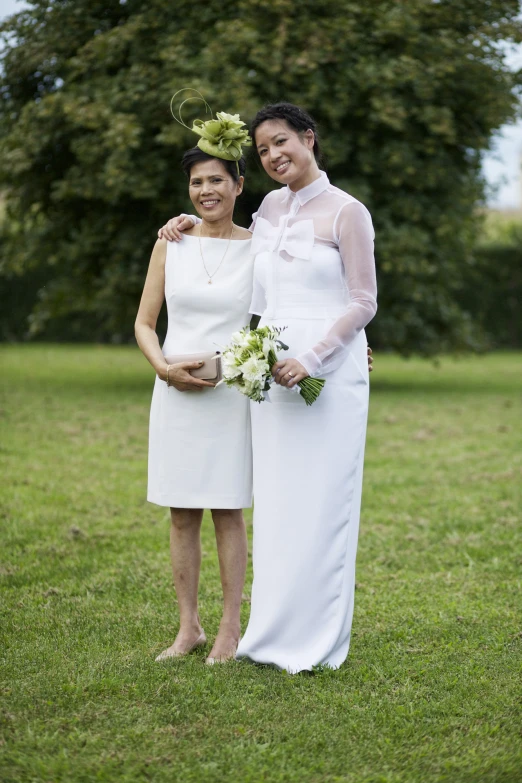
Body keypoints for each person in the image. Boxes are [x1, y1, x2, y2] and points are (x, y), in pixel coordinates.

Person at [159, 102, 377, 673]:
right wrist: (179, 223)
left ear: (308, 138)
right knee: (279, 508)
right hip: (271, 375)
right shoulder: (268, 211)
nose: (275, 155)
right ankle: (270, 635)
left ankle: (319, 642)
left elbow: (362, 301)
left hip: (322, 372)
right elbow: (240, 273)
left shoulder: (348, 211)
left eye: (282, 142)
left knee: (323, 505)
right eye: (263, 150)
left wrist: (320, 354)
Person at [135, 108, 254, 664]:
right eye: (196, 182)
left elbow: (285, 318)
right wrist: (162, 368)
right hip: (174, 393)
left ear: (238, 185)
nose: (206, 190)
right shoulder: (171, 243)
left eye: (216, 180)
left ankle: (230, 628)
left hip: (231, 396)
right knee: (182, 512)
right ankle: (190, 628)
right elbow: (143, 323)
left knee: (228, 509)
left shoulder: (259, 249)